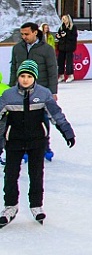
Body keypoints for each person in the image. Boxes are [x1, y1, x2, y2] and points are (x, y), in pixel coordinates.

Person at [0, 60, 75, 228]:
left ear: (35, 77)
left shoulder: (43, 94)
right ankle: (10, 207)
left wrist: (67, 132)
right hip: (14, 141)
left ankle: (36, 205)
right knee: (10, 175)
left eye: (29, 76)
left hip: (37, 141)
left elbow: (56, 115)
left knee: (36, 174)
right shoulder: (8, 96)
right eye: (22, 76)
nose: (25, 80)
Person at [10, 22, 58, 161]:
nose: (24, 37)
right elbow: (14, 68)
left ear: (35, 32)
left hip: (40, 91)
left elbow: (52, 71)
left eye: (27, 34)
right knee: (20, 120)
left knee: (42, 118)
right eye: (22, 34)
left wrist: (52, 92)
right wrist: (11, 88)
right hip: (20, 91)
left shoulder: (46, 49)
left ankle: (45, 146)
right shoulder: (17, 48)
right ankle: (23, 147)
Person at [56, 14, 78, 83]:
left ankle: (70, 75)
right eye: (63, 18)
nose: (64, 20)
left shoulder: (73, 27)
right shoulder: (61, 27)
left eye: (65, 18)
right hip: (62, 47)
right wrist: (58, 36)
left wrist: (66, 35)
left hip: (69, 47)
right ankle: (61, 75)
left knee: (69, 62)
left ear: (68, 19)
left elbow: (74, 37)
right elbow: (59, 35)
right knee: (60, 61)